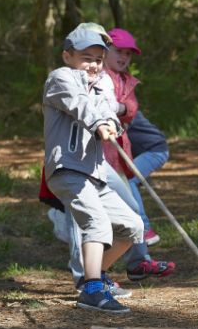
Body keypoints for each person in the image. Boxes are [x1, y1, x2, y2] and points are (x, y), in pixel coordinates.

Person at [42, 27, 143, 313]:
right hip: (68, 169)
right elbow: (80, 105)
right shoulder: (60, 79)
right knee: (96, 224)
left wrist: (111, 122)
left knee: (133, 226)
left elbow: (106, 109)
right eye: (87, 58)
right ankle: (93, 289)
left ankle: (95, 278)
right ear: (67, 56)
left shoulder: (99, 84)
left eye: (99, 59)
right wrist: (99, 122)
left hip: (94, 173)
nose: (94, 65)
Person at [104, 27, 170, 247]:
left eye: (128, 54)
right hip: (125, 150)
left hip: (154, 149)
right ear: (104, 49)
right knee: (121, 180)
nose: (124, 57)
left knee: (128, 178)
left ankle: (144, 228)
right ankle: (136, 252)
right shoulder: (101, 77)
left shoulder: (124, 82)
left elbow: (130, 108)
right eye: (119, 51)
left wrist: (119, 108)